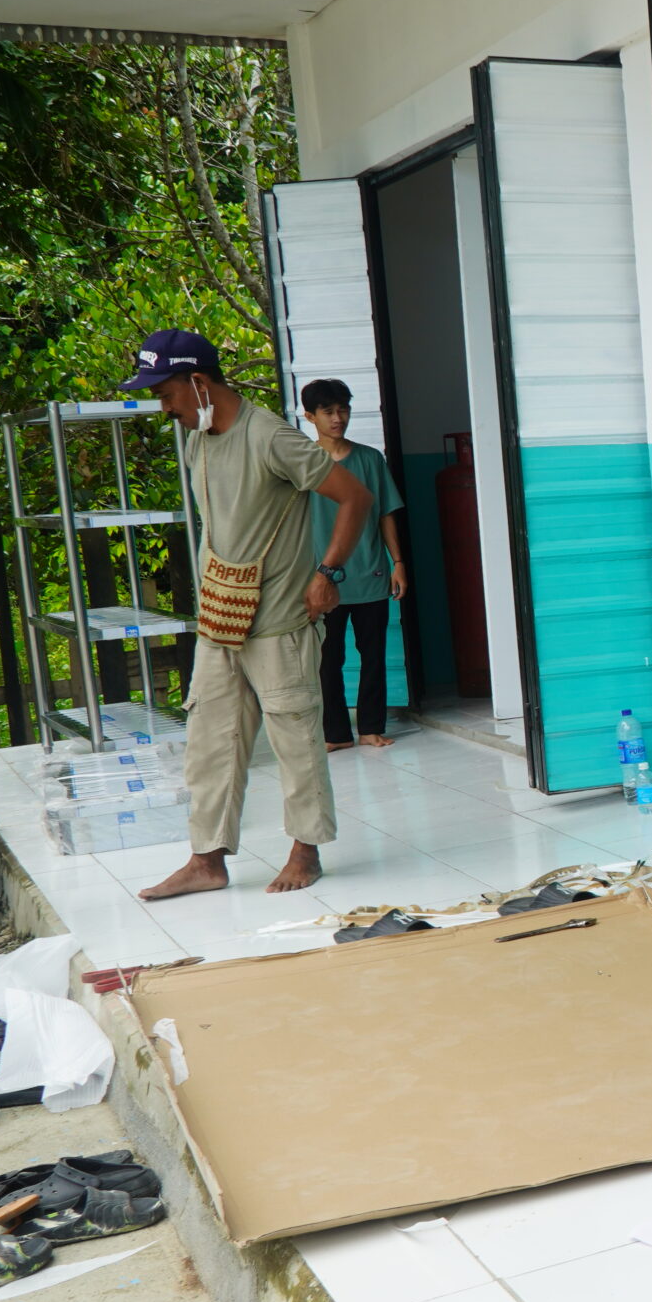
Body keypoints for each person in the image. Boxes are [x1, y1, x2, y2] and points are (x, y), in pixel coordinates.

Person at [128, 331, 373, 899]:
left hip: (280, 621)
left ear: (198, 382)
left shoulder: (270, 436)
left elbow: (355, 498)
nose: (163, 408)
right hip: (221, 621)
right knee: (208, 741)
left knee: (296, 738)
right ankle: (206, 860)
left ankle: (305, 851)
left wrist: (328, 573)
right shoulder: (198, 439)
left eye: (165, 394)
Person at [298, 378, 409, 750]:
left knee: (373, 654)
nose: (337, 418)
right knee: (327, 659)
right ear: (309, 416)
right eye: (328, 411)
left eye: (343, 409)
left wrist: (397, 562)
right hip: (320, 578)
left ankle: (370, 727)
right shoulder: (302, 463)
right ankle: (335, 734)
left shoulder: (369, 459)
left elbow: (386, 513)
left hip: (370, 570)